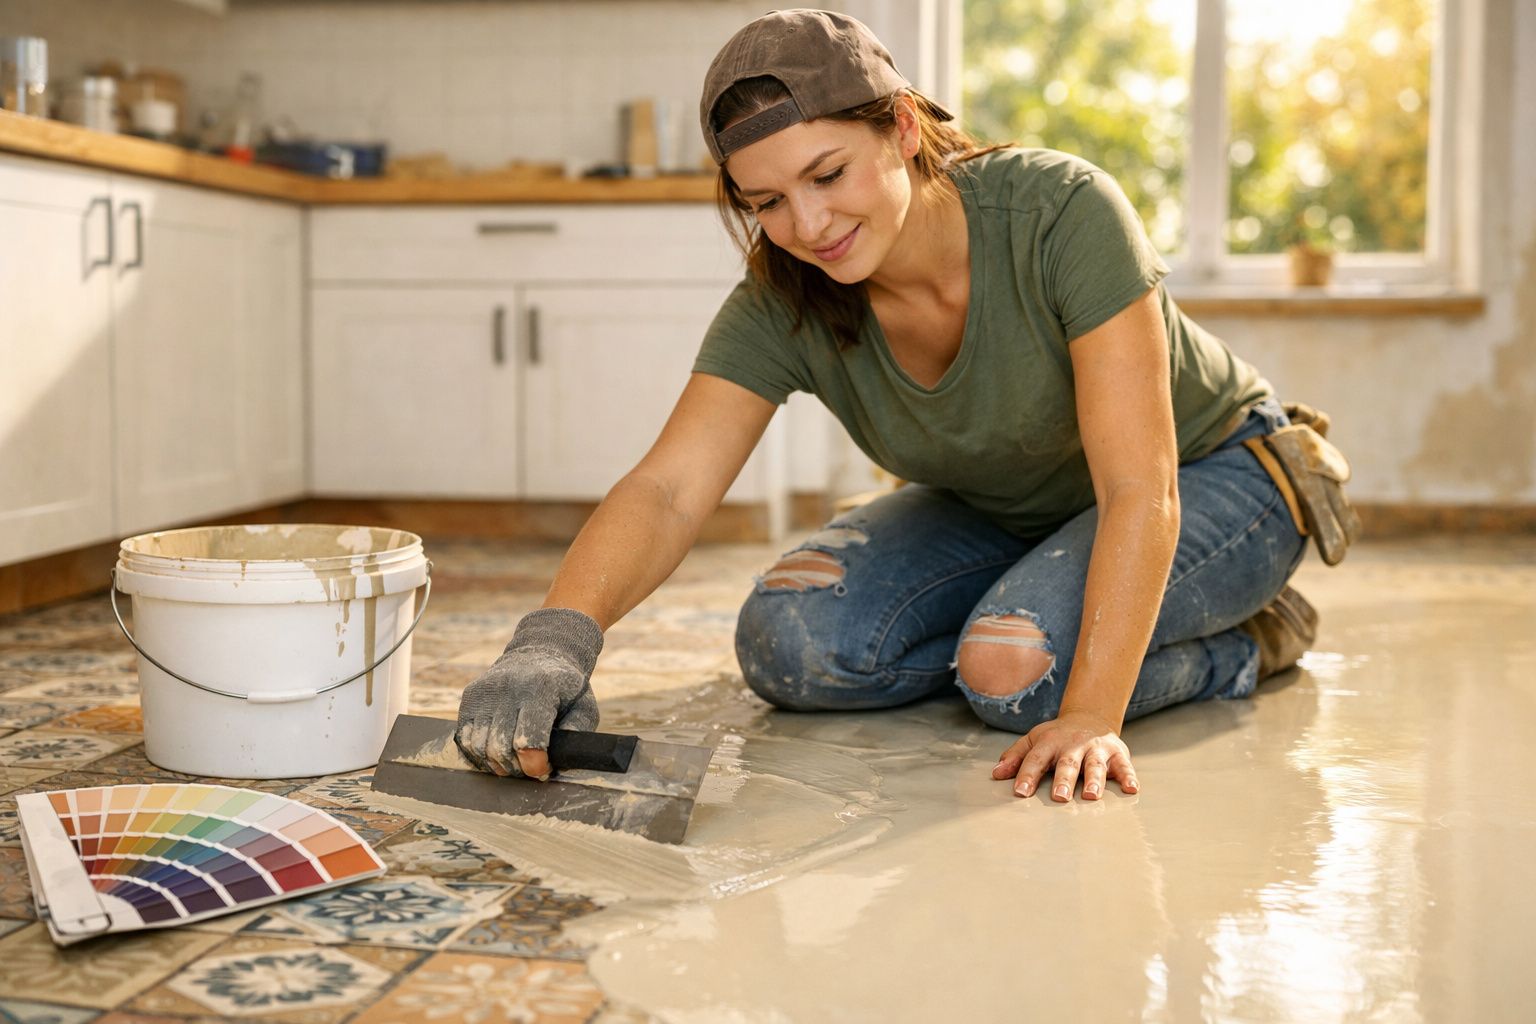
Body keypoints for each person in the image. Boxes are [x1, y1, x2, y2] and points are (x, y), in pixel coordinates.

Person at [455, 8, 1335, 804]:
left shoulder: (1061, 212)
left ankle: (1247, 642)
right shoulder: (785, 299)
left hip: (1221, 473)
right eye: (768, 203)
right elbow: (669, 490)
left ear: (904, 129)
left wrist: (1094, 714)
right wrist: (556, 639)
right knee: (790, 642)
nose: (808, 225)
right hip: (1006, 506)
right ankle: (1031, 604)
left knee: (1013, 678)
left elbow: (1141, 489)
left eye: (828, 174)